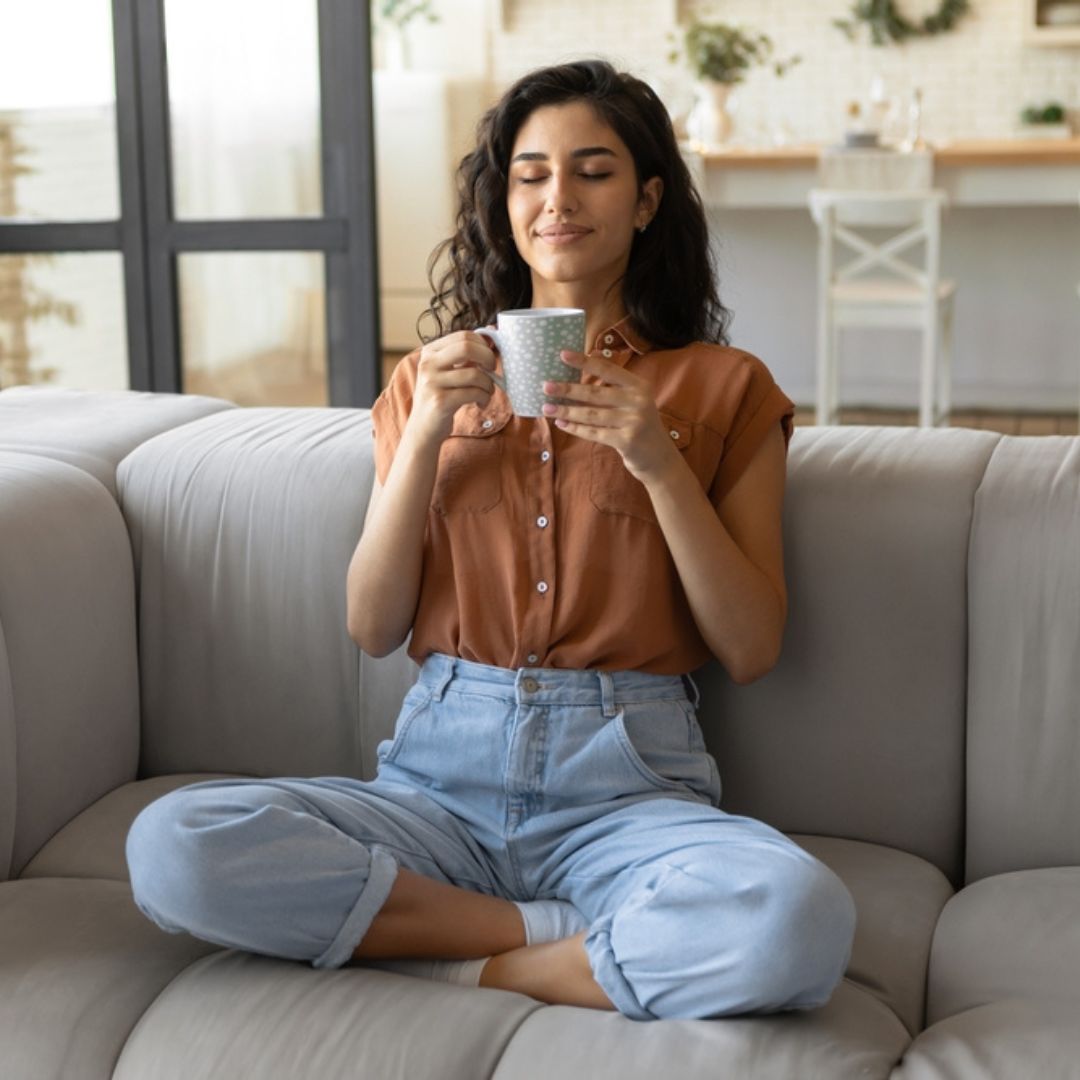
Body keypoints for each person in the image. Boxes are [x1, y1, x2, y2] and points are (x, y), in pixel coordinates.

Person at [126, 59, 856, 1022]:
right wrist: (427, 429)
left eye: (593, 171)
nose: (558, 198)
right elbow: (372, 624)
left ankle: (446, 956)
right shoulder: (428, 383)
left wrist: (659, 461)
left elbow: (752, 647)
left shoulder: (724, 388)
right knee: (172, 844)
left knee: (794, 918)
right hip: (437, 788)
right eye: (531, 173)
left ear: (646, 201)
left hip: (628, 791)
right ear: (502, 200)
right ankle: (543, 937)